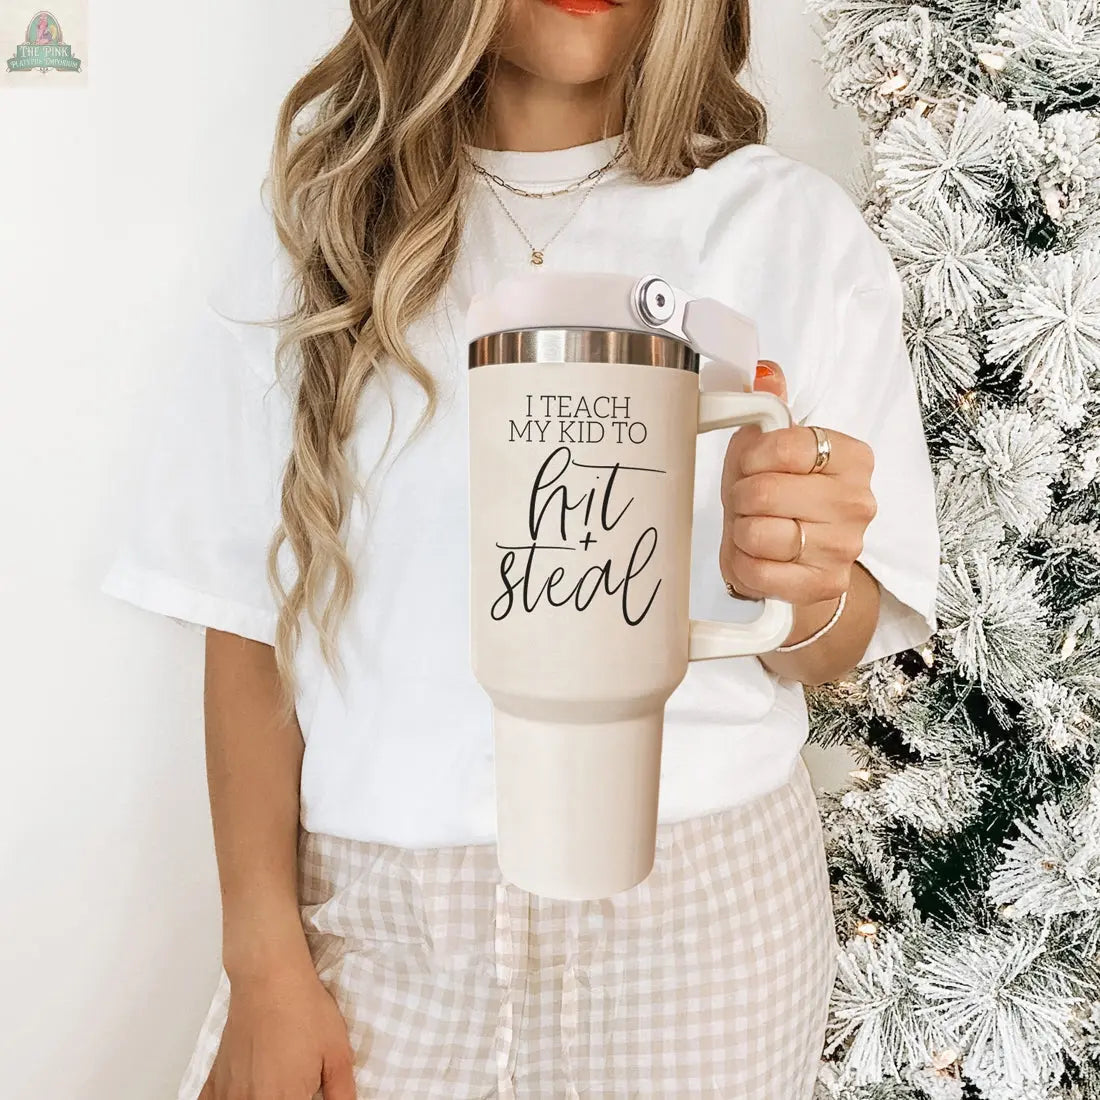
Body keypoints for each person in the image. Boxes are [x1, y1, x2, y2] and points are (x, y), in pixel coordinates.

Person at [99, 0, 941, 1096]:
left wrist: (801, 579)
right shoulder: (316, 228)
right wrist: (260, 955)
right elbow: (243, 613)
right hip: (379, 934)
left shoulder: (789, 228)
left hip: (704, 931)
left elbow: (836, 636)